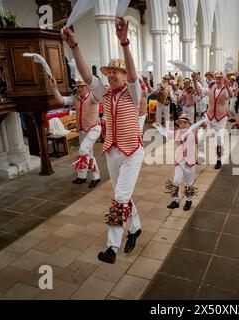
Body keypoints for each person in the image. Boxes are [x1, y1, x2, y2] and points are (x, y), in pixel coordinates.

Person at [61, 17, 143, 264]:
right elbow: (87, 76)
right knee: (123, 194)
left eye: (115, 72)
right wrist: (74, 46)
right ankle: (136, 226)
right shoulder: (104, 94)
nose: (111, 76)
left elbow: (132, 75)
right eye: (109, 73)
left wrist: (124, 42)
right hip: (112, 151)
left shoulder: (133, 91)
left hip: (132, 152)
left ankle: (112, 247)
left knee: (119, 197)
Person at [49, 78, 101, 188]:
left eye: (82, 86)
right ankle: (85, 177)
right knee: (87, 153)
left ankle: (93, 176)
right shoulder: (76, 98)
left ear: (88, 87)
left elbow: (100, 93)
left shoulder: (93, 97)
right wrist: (54, 88)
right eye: (78, 87)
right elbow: (62, 100)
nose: (79, 89)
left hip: (94, 128)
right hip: (82, 129)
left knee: (83, 150)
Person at [153, 113, 198, 211]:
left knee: (189, 182)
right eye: (180, 123)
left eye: (184, 123)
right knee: (176, 180)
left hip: (189, 163)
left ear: (189, 124)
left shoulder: (193, 133)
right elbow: (166, 133)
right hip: (179, 161)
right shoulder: (176, 132)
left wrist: (204, 127)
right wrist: (159, 126)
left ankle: (188, 200)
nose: (182, 124)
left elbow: (201, 136)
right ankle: (175, 200)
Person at [193, 71, 234, 169]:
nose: (218, 80)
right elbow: (199, 91)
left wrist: (228, 85)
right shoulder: (210, 87)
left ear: (223, 79)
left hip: (221, 118)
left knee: (219, 139)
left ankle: (219, 160)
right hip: (209, 116)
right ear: (215, 79)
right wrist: (194, 80)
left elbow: (231, 95)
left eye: (220, 78)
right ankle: (201, 157)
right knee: (201, 136)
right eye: (217, 78)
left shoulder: (227, 89)